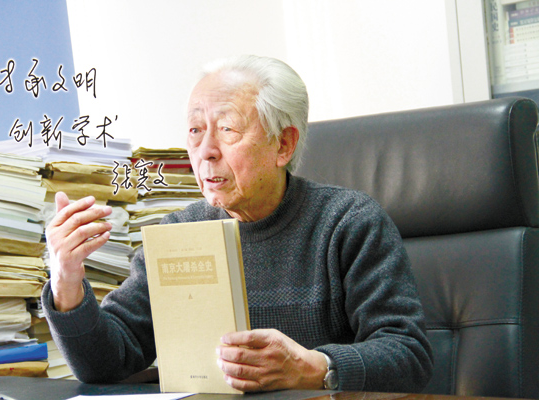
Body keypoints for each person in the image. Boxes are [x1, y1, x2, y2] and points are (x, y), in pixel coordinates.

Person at [42, 55, 433, 393]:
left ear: (283, 145)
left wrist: (313, 368)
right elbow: (106, 365)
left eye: (227, 129)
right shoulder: (179, 233)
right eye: (196, 131)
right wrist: (66, 281)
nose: (206, 152)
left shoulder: (348, 223)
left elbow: (408, 355)